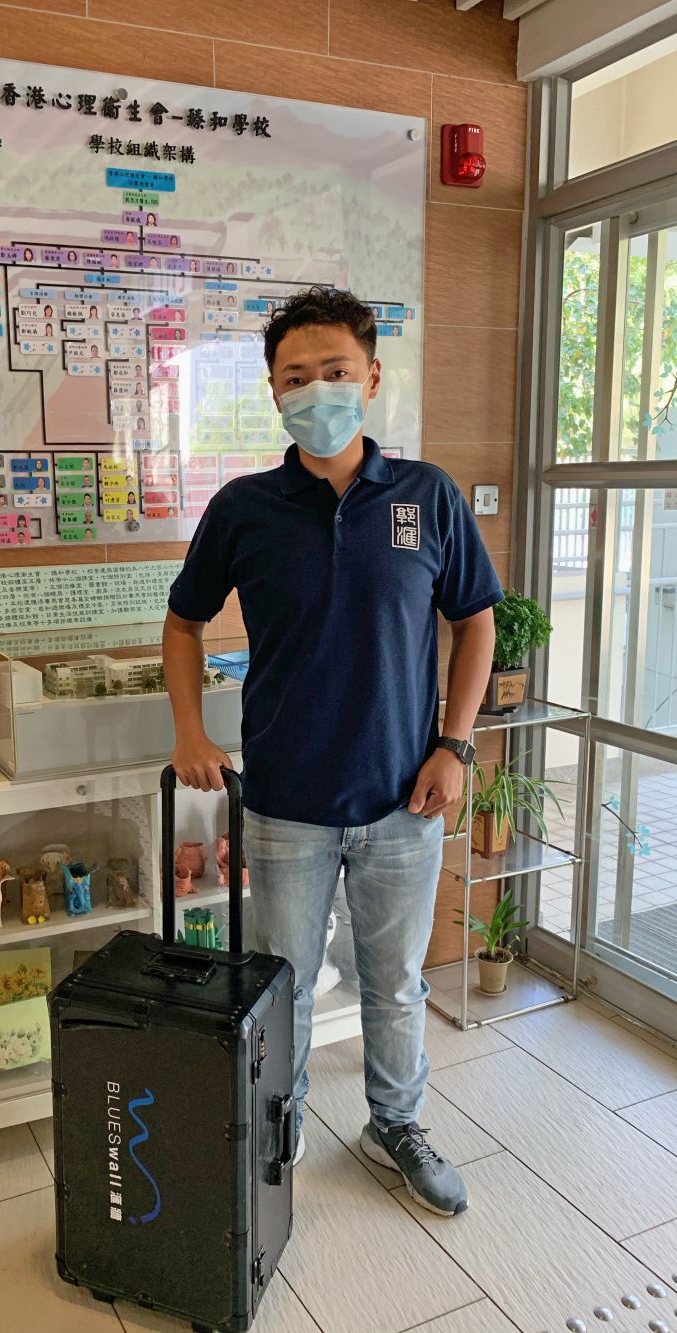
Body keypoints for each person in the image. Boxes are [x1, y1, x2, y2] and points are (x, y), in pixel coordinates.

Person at [163, 287, 503, 1216]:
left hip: (406, 801)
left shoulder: (426, 495)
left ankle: (395, 1124)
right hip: (282, 804)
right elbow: (183, 621)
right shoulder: (244, 507)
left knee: (395, 984)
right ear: (274, 393)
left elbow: (476, 624)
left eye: (336, 372)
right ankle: (279, 1123)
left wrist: (455, 746)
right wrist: (190, 731)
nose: (319, 391)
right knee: (283, 986)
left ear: (373, 377)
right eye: (296, 377)